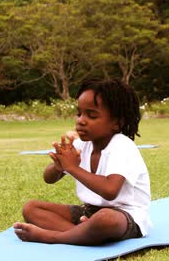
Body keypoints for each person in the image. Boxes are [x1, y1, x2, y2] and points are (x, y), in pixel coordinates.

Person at [13, 79, 151, 246]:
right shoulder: (81, 145)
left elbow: (110, 190)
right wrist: (58, 166)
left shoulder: (122, 146)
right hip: (89, 211)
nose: (81, 121)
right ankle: (83, 233)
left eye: (91, 115)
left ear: (117, 123)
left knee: (105, 219)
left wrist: (71, 167)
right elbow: (48, 178)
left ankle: (52, 237)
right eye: (79, 113)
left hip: (124, 215)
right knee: (31, 208)